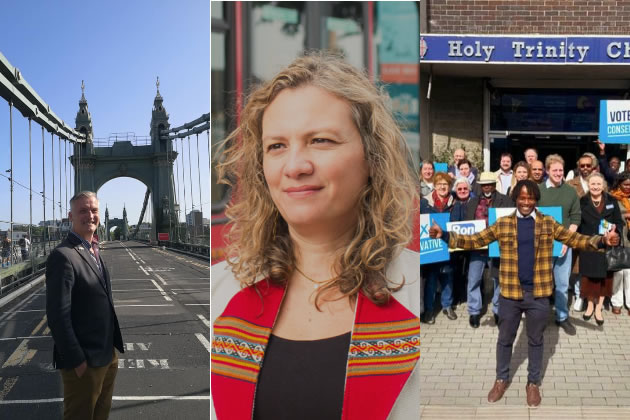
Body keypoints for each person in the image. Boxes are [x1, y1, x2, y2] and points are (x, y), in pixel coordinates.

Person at [211, 53, 420, 420]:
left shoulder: (418, 292)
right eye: (276, 146)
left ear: (372, 158)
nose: (295, 166)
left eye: (321, 140)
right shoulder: (217, 293)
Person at [428, 179, 620, 408]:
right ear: (516, 199)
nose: (526, 202)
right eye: (522, 197)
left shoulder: (548, 223)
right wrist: (445, 236)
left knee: (536, 341)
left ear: (535, 200)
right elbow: (475, 240)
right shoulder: (503, 223)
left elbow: (575, 239)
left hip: (538, 294)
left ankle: (533, 383)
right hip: (510, 293)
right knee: (505, 339)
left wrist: (601, 240)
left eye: (530, 198)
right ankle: (501, 379)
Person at [46, 191, 124, 420]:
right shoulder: (63, 256)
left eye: (94, 210)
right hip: (84, 363)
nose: (90, 215)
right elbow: (57, 316)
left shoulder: (95, 250)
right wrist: (77, 361)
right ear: (70, 216)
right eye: (83, 211)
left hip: (107, 354)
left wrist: (111, 351)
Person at [452, 172, 513, 328]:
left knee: (498, 280)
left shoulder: (505, 201)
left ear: (494, 185)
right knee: (473, 280)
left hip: (497, 247)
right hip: (477, 248)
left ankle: (498, 310)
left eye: (490, 184)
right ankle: (474, 311)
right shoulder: (473, 202)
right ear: (480, 185)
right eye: (484, 184)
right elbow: (466, 223)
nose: (487, 187)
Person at [538, 154, 581, 336]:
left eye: (561, 170)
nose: (558, 173)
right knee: (541, 283)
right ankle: (539, 318)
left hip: (563, 245)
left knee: (562, 284)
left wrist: (566, 239)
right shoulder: (538, 190)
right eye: (554, 170)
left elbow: (575, 217)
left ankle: (562, 317)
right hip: (541, 245)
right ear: (547, 171)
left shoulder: (570, 191)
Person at [578, 173, 623, 326]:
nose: (595, 187)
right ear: (588, 185)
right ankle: (590, 305)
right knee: (589, 278)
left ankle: (599, 307)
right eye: (592, 184)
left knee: (605, 279)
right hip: (590, 245)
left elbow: (619, 221)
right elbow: (577, 223)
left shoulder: (611, 201)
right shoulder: (582, 201)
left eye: (598, 184)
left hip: (607, 246)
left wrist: (615, 234)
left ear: (603, 185)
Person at [423, 172, 456, 324]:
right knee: (431, 279)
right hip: (431, 248)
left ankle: (447, 305)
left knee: (447, 278)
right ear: (434, 186)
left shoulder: (455, 203)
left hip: (448, 245)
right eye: (440, 184)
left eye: (446, 184)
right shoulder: (425, 203)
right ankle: (429, 309)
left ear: (449, 186)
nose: (443, 187)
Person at [610, 172, 630, 315]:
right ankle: (616, 302)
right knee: (618, 272)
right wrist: (625, 215)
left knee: (629, 274)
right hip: (619, 238)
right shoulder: (612, 197)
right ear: (619, 184)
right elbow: (609, 216)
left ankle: (629, 302)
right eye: (625, 184)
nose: (628, 187)